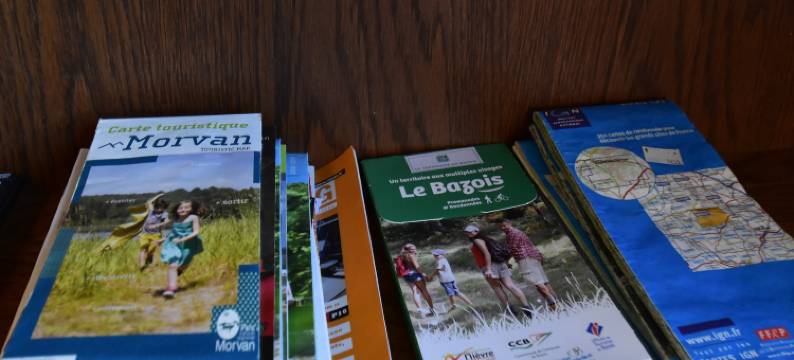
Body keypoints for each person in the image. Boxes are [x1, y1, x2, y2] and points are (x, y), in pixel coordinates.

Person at [464, 224, 533, 316]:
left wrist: (488, 269)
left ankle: (510, 311)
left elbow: (487, 254)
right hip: (500, 263)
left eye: (471, 232)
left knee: (497, 288)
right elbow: (498, 251)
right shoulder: (488, 239)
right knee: (511, 285)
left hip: (488, 266)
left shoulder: (477, 240)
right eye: (467, 232)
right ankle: (527, 308)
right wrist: (505, 263)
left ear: (477, 231)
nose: (468, 234)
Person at [498, 218, 558, 310]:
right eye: (500, 227)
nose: (502, 228)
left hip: (526, 259)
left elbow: (511, 249)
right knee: (544, 283)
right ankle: (556, 303)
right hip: (533, 257)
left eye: (504, 225)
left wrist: (506, 261)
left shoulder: (512, 234)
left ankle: (554, 306)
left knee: (539, 284)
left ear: (509, 223)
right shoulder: (516, 232)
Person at [159, 200, 205, 299]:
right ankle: (171, 289)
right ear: (176, 209)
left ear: (191, 209)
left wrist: (183, 239)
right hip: (174, 243)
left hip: (189, 244)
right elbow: (172, 232)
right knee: (173, 265)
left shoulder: (193, 217)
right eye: (180, 208)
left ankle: (177, 272)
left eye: (186, 207)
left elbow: (196, 232)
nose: (183, 209)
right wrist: (162, 239)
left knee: (183, 265)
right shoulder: (175, 219)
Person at [394, 243, 435, 315]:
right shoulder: (411, 256)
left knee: (415, 291)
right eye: (413, 249)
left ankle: (421, 310)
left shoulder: (401, 256)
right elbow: (417, 268)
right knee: (424, 291)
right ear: (409, 250)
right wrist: (425, 276)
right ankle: (432, 310)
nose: (414, 250)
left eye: (415, 249)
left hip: (406, 276)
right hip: (414, 275)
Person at [138, 197, 170, 271]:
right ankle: (142, 266)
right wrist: (158, 196)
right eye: (157, 207)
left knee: (151, 250)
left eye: (161, 208)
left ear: (164, 208)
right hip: (145, 234)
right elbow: (148, 202)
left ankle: (149, 257)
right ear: (155, 206)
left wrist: (156, 225)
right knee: (143, 249)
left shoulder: (164, 213)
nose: (159, 209)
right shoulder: (151, 210)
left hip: (156, 235)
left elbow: (167, 221)